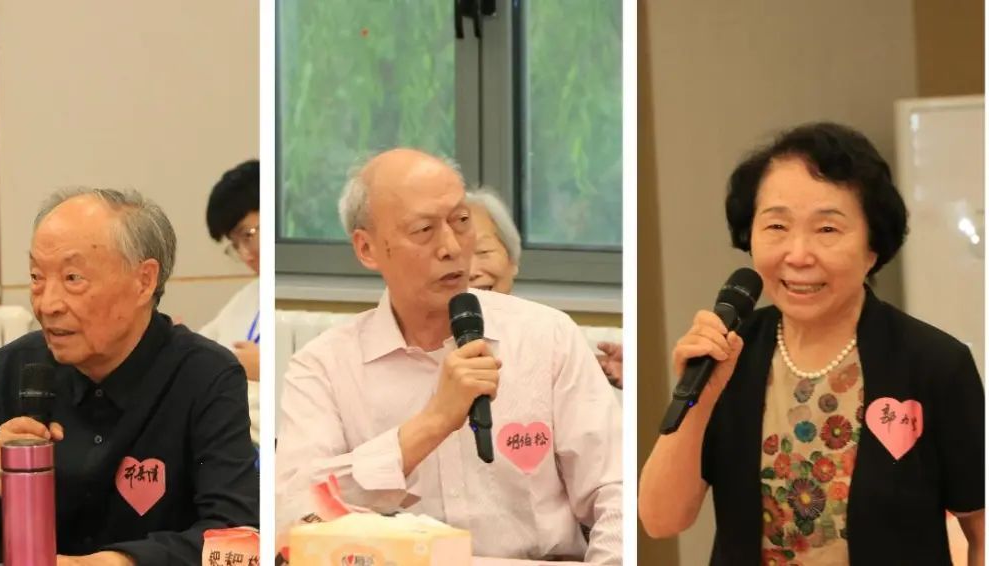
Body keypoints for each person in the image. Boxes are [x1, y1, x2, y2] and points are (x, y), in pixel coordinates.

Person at [638, 123, 985, 565]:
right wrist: (699, 398)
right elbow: (660, 520)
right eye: (777, 226)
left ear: (872, 248)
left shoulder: (935, 364)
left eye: (827, 230)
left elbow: (980, 526)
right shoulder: (731, 353)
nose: (798, 255)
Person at [275, 149, 622, 563]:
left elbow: (613, 490)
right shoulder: (324, 366)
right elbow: (295, 512)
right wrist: (432, 422)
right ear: (367, 249)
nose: (452, 247)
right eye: (423, 230)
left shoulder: (547, 336)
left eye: (461, 221)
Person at [0, 188, 259, 564]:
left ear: (144, 281)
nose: (47, 304)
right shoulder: (19, 367)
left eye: (73, 278)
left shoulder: (204, 377)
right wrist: (0, 483)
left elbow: (236, 535)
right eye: (37, 277)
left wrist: (112, 562)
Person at [466, 187, 623, 389]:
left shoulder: (557, 337)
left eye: (483, 251)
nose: (471, 271)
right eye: (454, 256)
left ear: (513, 260)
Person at [199, 159, 260, 446]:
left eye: (248, 236)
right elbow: (201, 349)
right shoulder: (247, 297)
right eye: (236, 245)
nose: (246, 254)